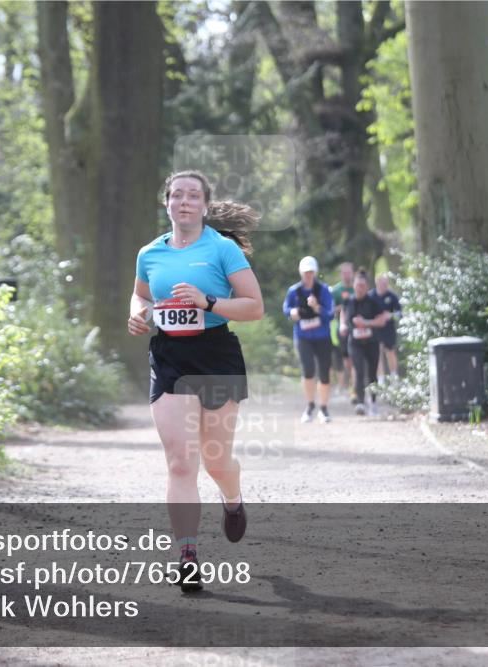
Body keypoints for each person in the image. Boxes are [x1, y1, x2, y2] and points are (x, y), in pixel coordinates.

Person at [127, 170, 263, 593]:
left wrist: (208, 301)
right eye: (177, 195)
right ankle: (187, 555)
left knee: (216, 460)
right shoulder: (150, 253)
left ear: (204, 205)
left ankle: (232, 498)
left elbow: (254, 306)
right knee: (181, 462)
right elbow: (142, 294)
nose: (184, 201)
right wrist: (137, 313)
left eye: (192, 196)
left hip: (215, 355)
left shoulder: (222, 249)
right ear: (166, 203)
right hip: (170, 357)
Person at [283, 256, 335, 423]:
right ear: (301, 273)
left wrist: (316, 307)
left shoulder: (324, 290)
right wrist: (291, 313)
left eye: (311, 272)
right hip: (303, 337)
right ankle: (310, 405)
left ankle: (324, 408)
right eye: (306, 272)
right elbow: (286, 308)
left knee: (324, 373)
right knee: (308, 370)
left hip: (322, 337)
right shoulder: (294, 291)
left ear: (315, 272)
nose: (308, 275)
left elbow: (330, 314)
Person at [346, 269, 390, 416]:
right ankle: (360, 402)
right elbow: (344, 315)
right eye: (358, 285)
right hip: (355, 343)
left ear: (367, 287)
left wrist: (365, 323)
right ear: (353, 286)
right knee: (358, 370)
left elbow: (382, 321)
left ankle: (373, 402)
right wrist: (343, 325)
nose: (360, 288)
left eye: (363, 286)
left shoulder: (373, 301)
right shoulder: (349, 301)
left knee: (372, 373)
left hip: (372, 342)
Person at [370, 273, 402, 384]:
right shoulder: (370, 296)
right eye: (382, 283)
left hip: (388, 329)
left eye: (386, 283)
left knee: (390, 352)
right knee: (377, 354)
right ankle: (380, 379)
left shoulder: (392, 296)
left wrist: (390, 315)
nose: (384, 285)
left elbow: (399, 314)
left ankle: (394, 377)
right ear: (377, 283)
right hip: (375, 329)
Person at [330, 262, 355, 398]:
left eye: (349, 272)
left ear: (353, 273)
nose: (347, 275)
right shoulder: (336, 291)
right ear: (341, 274)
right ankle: (344, 384)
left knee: (355, 357)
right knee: (344, 358)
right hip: (341, 328)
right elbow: (330, 309)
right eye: (344, 273)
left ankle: (354, 385)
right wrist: (344, 307)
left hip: (357, 327)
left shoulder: (357, 288)